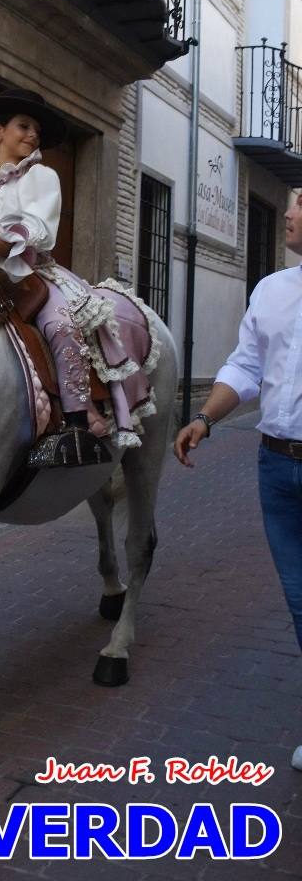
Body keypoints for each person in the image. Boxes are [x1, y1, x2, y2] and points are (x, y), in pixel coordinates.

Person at [174, 191, 302, 772]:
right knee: (299, 599)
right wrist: (204, 418)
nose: (289, 212)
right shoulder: (271, 290)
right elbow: (247, 366)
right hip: (276, 469)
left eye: (300, 203)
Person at [0, 88, 157, 461]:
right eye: (24, 126)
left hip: (30, 275)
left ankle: (78, 424)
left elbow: (43, 229)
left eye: (36, 129)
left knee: (61, 325)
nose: (33, 135)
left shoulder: (41, 176)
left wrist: (5, 244)